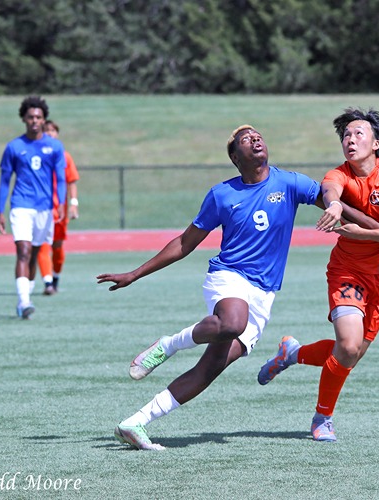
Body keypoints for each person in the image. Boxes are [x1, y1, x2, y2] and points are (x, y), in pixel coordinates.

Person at [97, 124, 332, 451]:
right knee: (232, 323)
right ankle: (169, 344)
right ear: (236, 158)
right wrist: (135, 273)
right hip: (229, 275)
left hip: (264, 295)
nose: (255, 139)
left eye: (257, 135)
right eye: (245, 140)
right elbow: (184, 243)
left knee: (209, 369)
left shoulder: (289, 182)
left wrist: (343, 209)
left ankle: (135, 423)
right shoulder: (222, 194)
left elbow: (328, 194)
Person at [258, 108, 379, 442]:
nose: (351, 139)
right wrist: (333, 205)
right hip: (347, 271)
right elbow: (331, 189)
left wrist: (364, 234)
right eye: (346, 135)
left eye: (359, 133)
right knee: (347, 345)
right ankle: (322, 419)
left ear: (377, 143)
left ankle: (293, 353)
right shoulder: (340, 174)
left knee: (352, 353)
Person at [0, 96, 66, 319]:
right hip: (21, 205)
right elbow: (5, 180)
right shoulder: (14, 147)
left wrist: (61, 203)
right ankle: (23, 301)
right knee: (23, 252)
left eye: (38, 117)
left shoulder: (54, 146)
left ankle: (27, 293)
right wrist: (0, 210)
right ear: (24, 119)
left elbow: (62, 178)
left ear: (44, 119)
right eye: (30, 117)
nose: (34, 120)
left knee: (35, 253)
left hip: (44, 208)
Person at [37, 119, 80, 295]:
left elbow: (71, 181)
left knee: (57, 246)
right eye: (46, 131)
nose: (49, 133)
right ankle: (47, 282)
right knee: (42, 245)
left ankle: (55, 277)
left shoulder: (65, 156)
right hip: (40, 207)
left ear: (57, 134)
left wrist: (74, 204)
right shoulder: (36, 154)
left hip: (59, 208)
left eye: (53, 131)